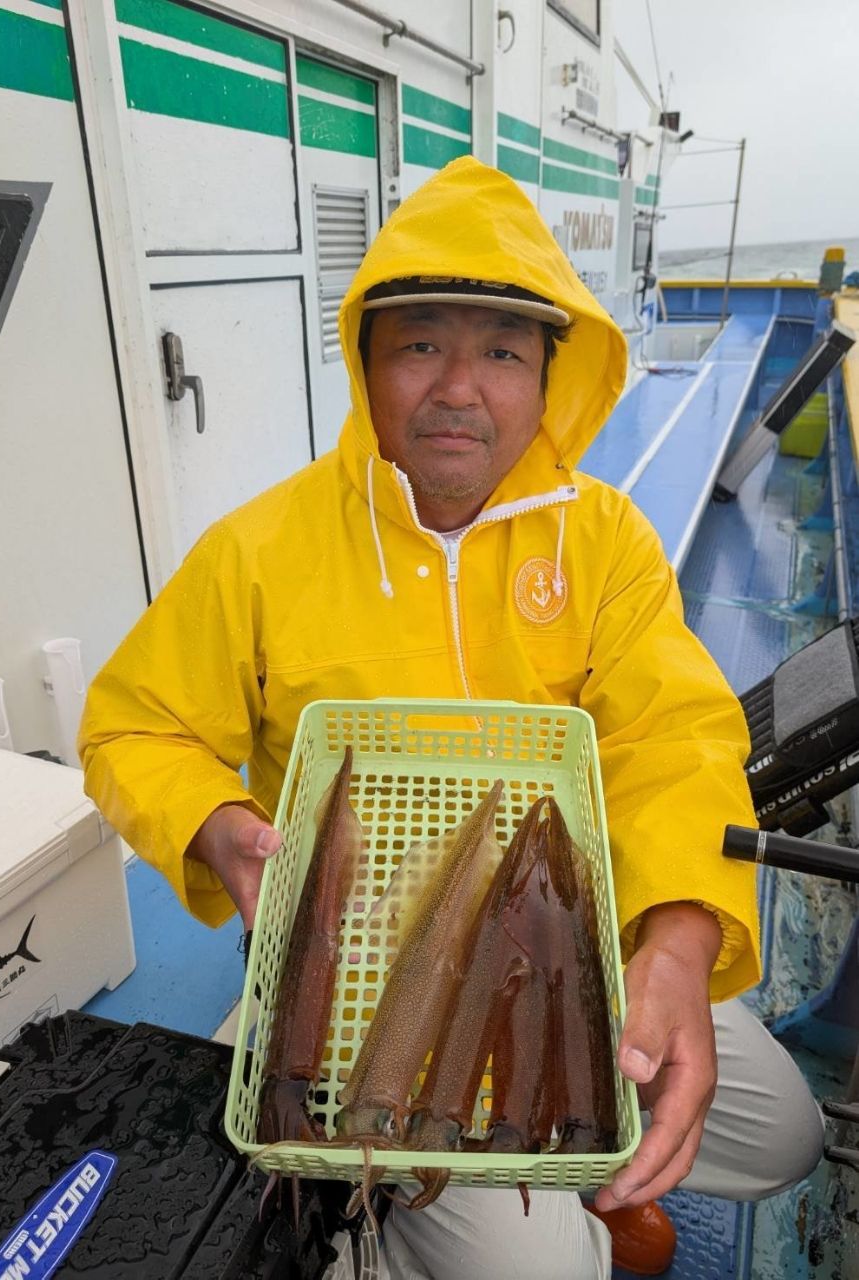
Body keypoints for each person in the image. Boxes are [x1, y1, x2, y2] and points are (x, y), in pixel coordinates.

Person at [80, 156, 823, 1278]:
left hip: (564, 947)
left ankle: (557, 1185)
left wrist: (677, 937)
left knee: (784, 1132)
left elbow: (672, 733)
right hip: (362, 984)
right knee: (550, 1268)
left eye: (503, 350)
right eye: (421, 342)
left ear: (549, 373)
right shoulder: (258, 550)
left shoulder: (605, 539)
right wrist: (214, 818)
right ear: (366, 357)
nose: (459, 386)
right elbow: (130, 725)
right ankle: (380, 1207)